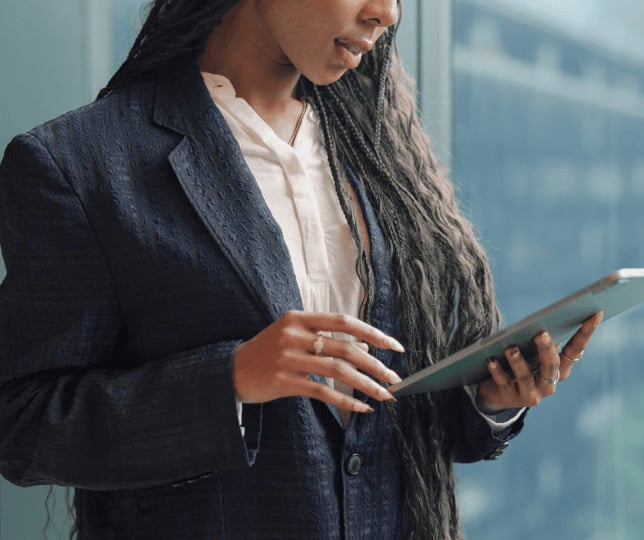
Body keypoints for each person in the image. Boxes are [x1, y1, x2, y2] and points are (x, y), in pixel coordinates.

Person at [0, 0, 601, 538]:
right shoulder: (78, 165)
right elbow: (20, 424)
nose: (387, 12)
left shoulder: (380, 156)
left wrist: (490, 400)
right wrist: (231, 380)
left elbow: (393, 435)